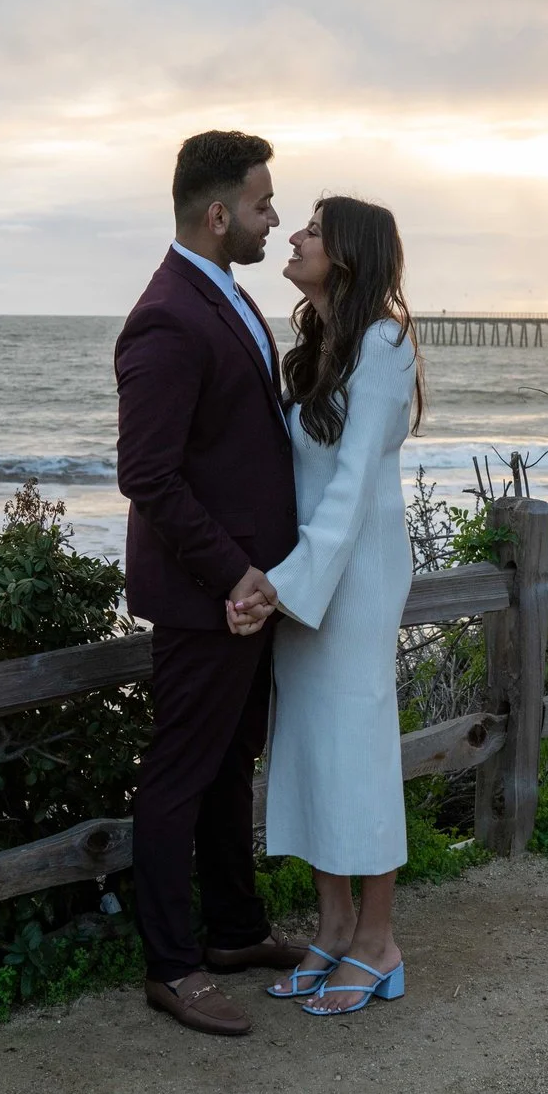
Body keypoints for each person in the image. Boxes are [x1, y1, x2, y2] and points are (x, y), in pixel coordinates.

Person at [114, 130, 312, 1037]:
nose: (276, 217)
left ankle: (234, 930)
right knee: (180, 775)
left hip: (248, 592)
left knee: (234, 766)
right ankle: (173, 964)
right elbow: (148, 475)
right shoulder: (165, 317)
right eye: (265, 204)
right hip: (207, 597)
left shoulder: (223, 296)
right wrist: (235, 572)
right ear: (220, 211)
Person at [226, 195, 423, 1016]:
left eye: (313, 228)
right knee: (309, 745)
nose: (296, 235)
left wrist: (283, 583)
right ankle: (335, 923)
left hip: (354, 577)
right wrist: (271, 573)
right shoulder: (318, 350)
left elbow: (346, 493)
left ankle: (380, 942)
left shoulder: (383, 341)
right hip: (306, 572)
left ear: (348, 253)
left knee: (358, 748)